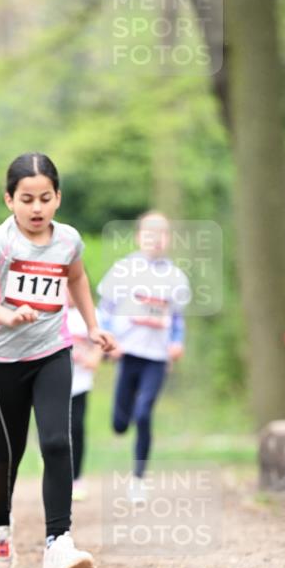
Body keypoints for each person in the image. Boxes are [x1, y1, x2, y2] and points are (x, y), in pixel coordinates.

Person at [0, 152, 115, 568]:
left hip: (53, 351)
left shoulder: (68, 240)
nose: (36, 208)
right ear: (9, 199)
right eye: (26, 199)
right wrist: (6, 315)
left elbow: (77, 278)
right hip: (3, 360)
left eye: (45, 198)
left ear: (57, 198)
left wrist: (93, 327)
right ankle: (0, 527)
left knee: (57, 442)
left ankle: (58, 543)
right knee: (9, 450)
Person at [97, 211, 191, 503]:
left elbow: (177, 318)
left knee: (144, 413)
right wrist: (109, 340)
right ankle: (120, 421)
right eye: (149, 233)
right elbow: (105, 309)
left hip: (157, 357)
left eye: (161, 234)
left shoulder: (176, 277)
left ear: (168, 239)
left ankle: (138, 479)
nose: (155, 239)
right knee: (120, 423)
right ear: (139, 237)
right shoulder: (123, 270)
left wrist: (177, 342)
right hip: (128, 352)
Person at [67, 300, 103, 502]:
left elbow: (100, 340)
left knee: (77, 428)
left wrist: (95, 357)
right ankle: (52, 463)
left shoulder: (91, 313)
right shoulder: (52, 309)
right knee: (54, 430)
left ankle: (76, 477)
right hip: (53, 381)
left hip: (80, 382)